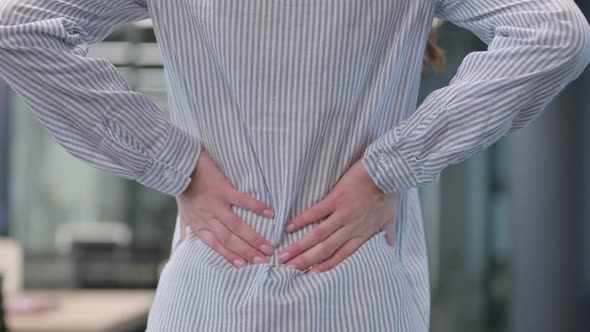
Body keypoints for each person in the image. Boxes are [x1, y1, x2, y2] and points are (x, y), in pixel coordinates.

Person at [0, 0, 588, 331]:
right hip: (361, 300)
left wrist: (176, 165)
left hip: (208, 300)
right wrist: (387, 169)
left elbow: (16, 28)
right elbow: (555, 32)